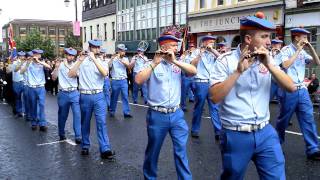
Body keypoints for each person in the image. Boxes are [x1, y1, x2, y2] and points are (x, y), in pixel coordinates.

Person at [209, 12, 296, 179]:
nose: (269, 42)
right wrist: (238, 72)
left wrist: (270, 65)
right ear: (248, 39)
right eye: (264, 37)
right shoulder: (225, 61)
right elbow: (214, 96)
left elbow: (291, 87)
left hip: (265, 133)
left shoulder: (269, 59)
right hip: (236, 134)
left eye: (269, 37)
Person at [135, 32, 197, 180]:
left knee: (181, 150)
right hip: (157, 115)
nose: (177, 48)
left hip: (177, 115)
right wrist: (154, 63)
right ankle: (150, 177)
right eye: (174, 45)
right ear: (163, 47)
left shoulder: (177, 62)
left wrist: (175, 61)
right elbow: (138, 80)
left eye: (177, 45)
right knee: (153, 151)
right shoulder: (151, 64)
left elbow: (193, 71)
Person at [276, 27, 320, 160]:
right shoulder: (286, 50)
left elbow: (317, 62)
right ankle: (275, 147)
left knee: (308, 118)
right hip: (289, 89)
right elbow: (285, 65)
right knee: (284, 120)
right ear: (296, 37)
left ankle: (313, 149)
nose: (306, 39)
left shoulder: (304, 52)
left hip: (302, 90)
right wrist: (299, 50)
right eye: (305, 37)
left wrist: (310, 47)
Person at [69, 40, 115, 159]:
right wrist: (80, 60)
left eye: (98, 48)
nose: (97, 50)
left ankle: (105, 148)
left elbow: (105, 73)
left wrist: (94, 59)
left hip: (99, 95)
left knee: (101, 122)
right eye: (94, 48)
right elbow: (71, 74)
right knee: (85, 122)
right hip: (85, 95)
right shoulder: (81, 61)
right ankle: (85, 145)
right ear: (89, 48)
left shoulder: (102, 61)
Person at [190, 35, 221, 139]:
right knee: (199, 107)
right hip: (201, 82)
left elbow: (221, 59)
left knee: (215, 108)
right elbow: (192, 65)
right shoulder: (196, 52)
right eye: (209, 42)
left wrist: (212, 50)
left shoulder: (214, 52)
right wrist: (200, 54)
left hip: (212, 83)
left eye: (212, 42)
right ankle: (195, 129)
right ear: (203, 43)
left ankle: (218, 131)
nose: (211, 44)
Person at [52, 48, 81, 144]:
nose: (70, 57)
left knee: (77, 114)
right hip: (63, 93)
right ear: (66, 55)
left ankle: (78, 136)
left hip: (74, 92)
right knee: (62, 115)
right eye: (69, 55)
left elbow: (76, 75)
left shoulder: (76, 65)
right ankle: (61, 133)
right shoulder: (59, 64)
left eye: (72, 55)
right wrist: (56, 67)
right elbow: (53, 78)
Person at [21, 49, 51, 131]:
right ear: (33, 54)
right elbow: (21, 71)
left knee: (42, 105)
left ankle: (42, 124)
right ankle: (34, 123)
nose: (38, 56)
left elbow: (49, 67)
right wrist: (27, 63)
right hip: (32, 87)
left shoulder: (42, 63)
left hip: (41, 87)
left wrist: (39, 61)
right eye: (36, 54)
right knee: (33, 105)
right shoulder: (29, 63)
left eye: (39, 54)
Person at [109, 44, 132, 118]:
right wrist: (112, 59)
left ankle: (126, 112)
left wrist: (121, 60)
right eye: (122, 51)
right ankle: (112, 111)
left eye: (124, 51)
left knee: (125, 96)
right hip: (115, 80)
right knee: (114, 97)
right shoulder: (113, 58)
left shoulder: (125, 59)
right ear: (118, 51)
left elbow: (128, 66)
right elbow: (108, 66)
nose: (124, 52)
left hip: (123, 80)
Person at [180, 43, 196, 112]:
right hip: (186, 76)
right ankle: (183, 106)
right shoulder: (184, 55)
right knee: (184, 92)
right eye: (190, 47)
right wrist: (184, 55)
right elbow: (180, 63)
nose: (191, 48)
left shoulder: (195, 55)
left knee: (196, 92)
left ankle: (198, 105)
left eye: (192, 47)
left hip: (193, 76)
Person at [10, 51, 26, 117]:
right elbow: (15, 69)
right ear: (19, 56)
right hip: (16, 83)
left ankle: (24, 111)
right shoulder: (14, 62)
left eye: (23, 56)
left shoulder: (25, 63)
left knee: (24, 97)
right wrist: (21, 63)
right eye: (22, 56)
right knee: (17, 98)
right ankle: (18, 111)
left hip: (23, 82)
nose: (23, 57)